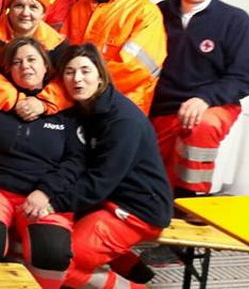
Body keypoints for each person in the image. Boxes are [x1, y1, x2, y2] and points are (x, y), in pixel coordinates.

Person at [0, 38, 84, 288]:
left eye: (31, 60)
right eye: (17, 62)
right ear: (8, 70)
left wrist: (46, 192)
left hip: (43, 194)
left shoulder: (67, 111)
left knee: (52, 251)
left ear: (46, 66)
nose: (25, 66)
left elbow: (75, 161)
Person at [59, 44, 173, 289]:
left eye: (85, 71)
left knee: (58, 261)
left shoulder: (122, 120)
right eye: (69, 71)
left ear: (100, 76)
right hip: (106, 200)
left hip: (137, 210)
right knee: (48, 237)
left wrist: (51, 202)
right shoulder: (85, 109)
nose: (77, 78)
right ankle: (129, 265)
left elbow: (99, 181)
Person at [151, 0, 249, 198]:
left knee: (201, 126)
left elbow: (242, 78)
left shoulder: (235, 21)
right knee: (152, 171)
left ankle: (191, 198)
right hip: (163, 104)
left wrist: (204, 99)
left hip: (212, 105)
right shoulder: (156, 14)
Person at [64, 0, 167, 114]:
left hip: (125, 106)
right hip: (79, 101)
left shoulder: (145, 12)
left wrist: (91, 88)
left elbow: (136, 68)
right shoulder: (79, 8)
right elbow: (64, 54)